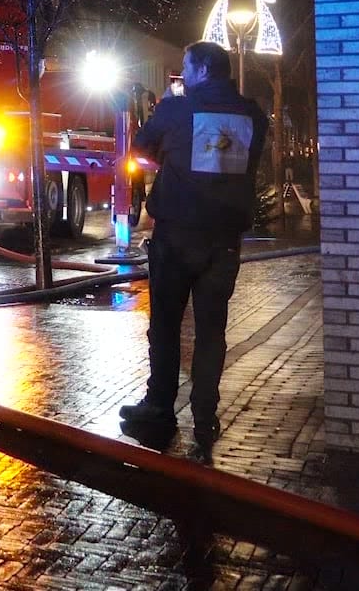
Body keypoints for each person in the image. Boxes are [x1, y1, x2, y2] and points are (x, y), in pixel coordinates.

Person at [119, 40, 267, 458]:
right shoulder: (252, 115)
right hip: (224, 241)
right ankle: (205, 415)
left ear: (201, 70)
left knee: (165, 325)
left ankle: (160, 407)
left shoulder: (178, 108)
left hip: (177, 236)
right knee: (211, 331)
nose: (181, 76)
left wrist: (166, 111)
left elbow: (143, 147)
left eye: (185, 68)